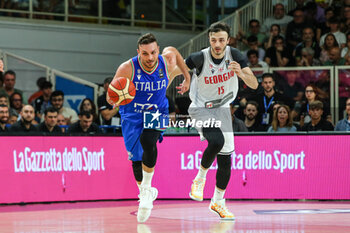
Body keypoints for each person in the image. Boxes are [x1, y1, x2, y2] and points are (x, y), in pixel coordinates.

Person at [108, 33, 190, 223]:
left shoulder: (166, 61)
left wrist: (187, 77)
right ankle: (146, 192)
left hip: (157, 112)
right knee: (136, 161)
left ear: (158, 50)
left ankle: (145, 193)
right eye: (145, 54)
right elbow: (110, 95)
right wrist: (115, 98)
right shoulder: (127, 68)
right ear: (138, 52)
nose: (150, 57)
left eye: (153, 52)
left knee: (148, 140)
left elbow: (176, 53)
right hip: (132, 116)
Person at [181, 22, 258, 220]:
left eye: (221, 40)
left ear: (228, 40)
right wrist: (184, 79)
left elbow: (254, 84)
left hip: (223, 109)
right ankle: (199, 179)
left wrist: (240, 73)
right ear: (209, 39)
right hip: (200, 108)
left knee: (226, 161)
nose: (217, 44)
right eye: (214, 40)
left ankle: (218, 202)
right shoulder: (200, 57)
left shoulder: (236, 56)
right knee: (217, 142)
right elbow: (178, 67)